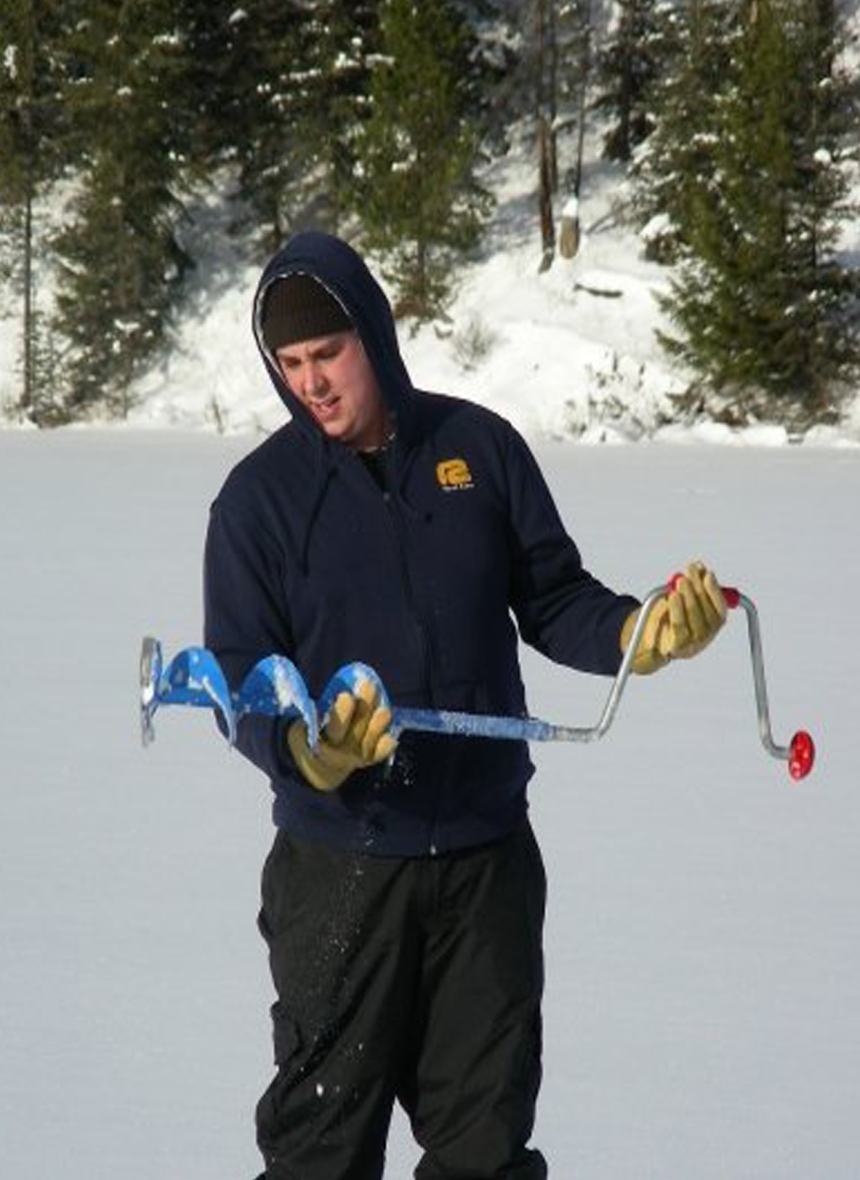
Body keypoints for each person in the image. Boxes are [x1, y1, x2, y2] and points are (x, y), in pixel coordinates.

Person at [203, 231, 727, 1179]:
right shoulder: (257, 503)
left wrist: (638, 634)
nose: (310, 382)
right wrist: (307, 753)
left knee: (485, 1150)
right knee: (320, 1151)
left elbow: (554, 598)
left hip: (486, 862)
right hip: (341, 867)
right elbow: (241, 679)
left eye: (328, 353)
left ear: (373, 334)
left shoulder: (478, 450)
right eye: (290, 363)